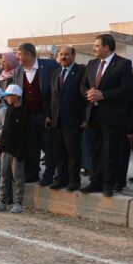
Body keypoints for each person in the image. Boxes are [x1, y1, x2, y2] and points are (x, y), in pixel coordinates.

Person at [79, 34, 133, 197]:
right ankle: (95, 181)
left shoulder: (123, 64)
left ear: (106, 47)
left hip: (112, 116)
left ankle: (108, 184)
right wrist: (88, 93)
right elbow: (83, 85)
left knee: (110, 151)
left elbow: (126, 89)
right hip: (93, 114)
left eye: (96, 46)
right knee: (95, 150)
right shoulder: (91, 64)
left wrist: (103, 95)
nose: (93, 49)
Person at [15, 42, 58, 185]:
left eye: (19, 54)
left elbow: (56, 90)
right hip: (28, 115)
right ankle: (32, 174)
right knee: (31, 146)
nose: (17, 57)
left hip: (45, 114)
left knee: (49, 147)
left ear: (28, 54)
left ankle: (49, 175)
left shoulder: (50, 65)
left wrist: (51, 113)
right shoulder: (18, 71)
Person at [47, 45, 86, 191]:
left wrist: (84, 118)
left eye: (67, 54)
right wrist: (48, 116)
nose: (63, 57)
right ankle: (62, 179)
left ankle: (74, 181)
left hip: (74, 120)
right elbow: (51, 97)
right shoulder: (56, 73)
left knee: (73, 153)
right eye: (61, 54)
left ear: (74, 55)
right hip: (56, 120)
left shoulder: (82, 72)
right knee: (59, 152)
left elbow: (85, 98)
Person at [0, 84, 28, 214]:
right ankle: (2, 200)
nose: (6, 98)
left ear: (16, 96)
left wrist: (20, 152)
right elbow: (6, 130)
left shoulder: (24, 111)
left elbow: (24, 133)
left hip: (16, 150)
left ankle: (18, 202)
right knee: (3, 175)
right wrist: (1, 148)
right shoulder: (9, 110)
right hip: (5, 149)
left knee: (17, 176)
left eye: (9, 95)